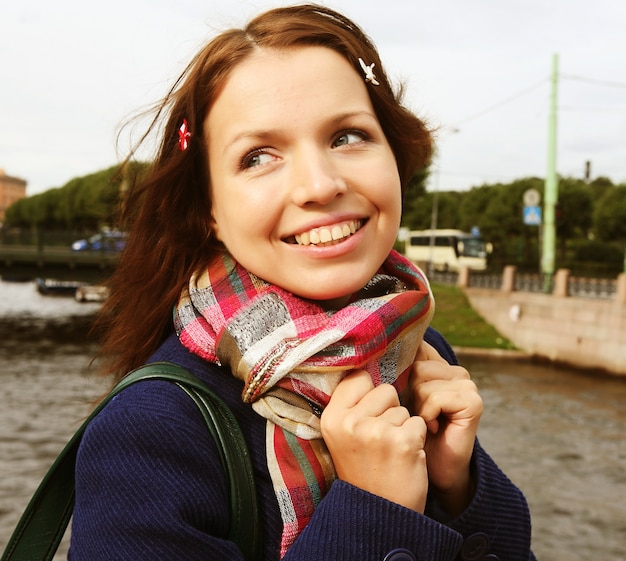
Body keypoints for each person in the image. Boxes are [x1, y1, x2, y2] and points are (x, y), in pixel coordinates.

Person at [70, 4, 536, 560]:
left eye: (347, 136)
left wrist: (457, 485)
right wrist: (373, 507)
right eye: (258, 157)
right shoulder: (148, 435)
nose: (318, 184)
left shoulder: (419, 348)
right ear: (208, 210)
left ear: (395, 156)